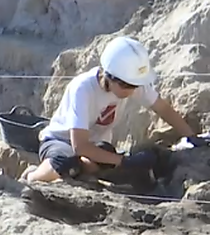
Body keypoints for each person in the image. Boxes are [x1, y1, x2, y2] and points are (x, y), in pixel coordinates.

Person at [22, 35, 208, 184]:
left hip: (96, 147)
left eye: (134, 86)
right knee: (66, 161)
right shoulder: (83, 88)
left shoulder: (132, 84)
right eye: (128, 86)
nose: (132, 91)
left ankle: (79, 172)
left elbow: (163, 108)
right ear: (110, 77)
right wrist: (124, 161)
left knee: (101, 162)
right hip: (60, 142)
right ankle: (32, 176)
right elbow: (79, 145)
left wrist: (192, 137)